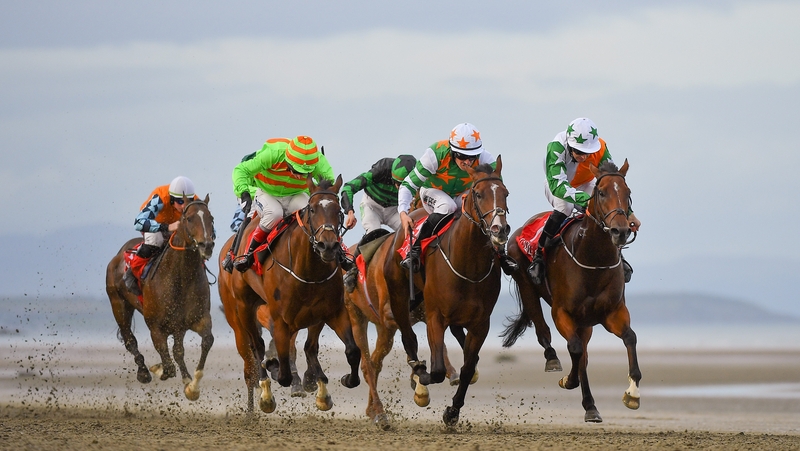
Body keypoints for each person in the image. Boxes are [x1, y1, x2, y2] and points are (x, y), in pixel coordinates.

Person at [527, 117, 641, 285]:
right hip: (559, 184)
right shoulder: (556, 147)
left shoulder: (601, 147)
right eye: (579, 152)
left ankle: (619, 255)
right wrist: (588, 200)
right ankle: (538, 255)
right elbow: (558, 186)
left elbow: (611, 182)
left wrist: (629, 214)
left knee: (605, 208)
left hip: (587, 183)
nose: (583, 156)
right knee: (565, 207)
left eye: (587, 153)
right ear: (570, 145)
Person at [397, 123, 518, 275]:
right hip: (433, 191)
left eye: (471, 157)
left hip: (462, 193)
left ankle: (501, 253)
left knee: (481, 209)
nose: (467, 162)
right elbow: (408, 185)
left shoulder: (485, 158)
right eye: (462, 156)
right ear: (453, 151)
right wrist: (402, 212)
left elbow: (495, 191)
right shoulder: (435, 154)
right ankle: (415, 250)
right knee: (448, 206)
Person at [228, 136, 350, 273]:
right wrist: (244, 192)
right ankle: (248, 253)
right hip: (267, 191)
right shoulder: (273, 154)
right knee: (274, 213)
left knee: (315, 212)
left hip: (296, 194)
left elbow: (328, 192)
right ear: (288, 160)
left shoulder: (319, 162)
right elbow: (240, 170)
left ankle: (340, 248)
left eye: (305, 173)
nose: (299, 176)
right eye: (296, 171)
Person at [339, 154, 417, 292]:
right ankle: (353, 270)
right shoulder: (380, 170)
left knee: (412, 233)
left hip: (395, 209)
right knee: (374, 231)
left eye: (402, 184)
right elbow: (349, 187)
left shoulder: (419, 176)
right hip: (371, 205)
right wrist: (350, 211)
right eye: (396, 183)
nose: (399, 188)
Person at [123, 176, 199, 295]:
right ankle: (132, 272)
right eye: (180, 202)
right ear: (172, 199)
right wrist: (166, 227)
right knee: (156, 241)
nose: (184, 206)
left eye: (188, 201)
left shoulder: (195, 201)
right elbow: (138, 223)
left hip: (178, 229)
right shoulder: (160, 197)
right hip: (154, 225)